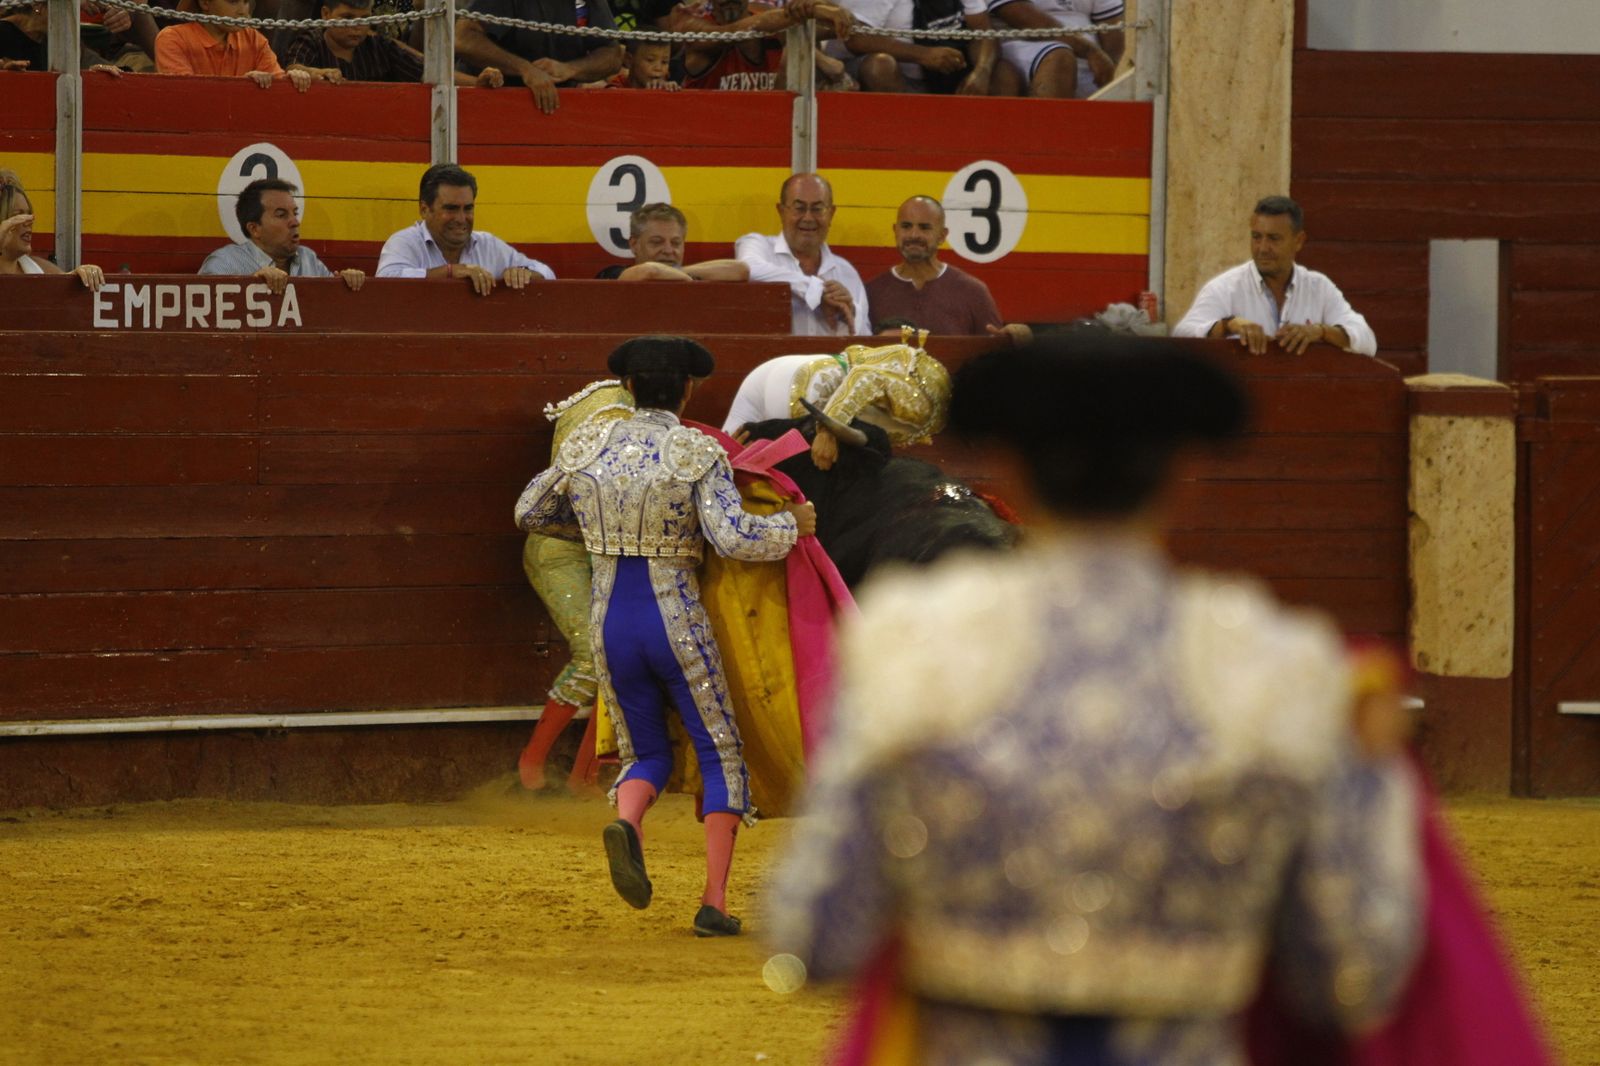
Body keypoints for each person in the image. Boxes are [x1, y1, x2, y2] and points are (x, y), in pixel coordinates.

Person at [766, 333, 1425, 1065]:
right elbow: (1353, 974)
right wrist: (1372, 779)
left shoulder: (911, 653)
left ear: (1011, 471)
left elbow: (814, 936)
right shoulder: (1278, 669)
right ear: (1183, 475)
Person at [515, 335, 817, 937]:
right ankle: (714, 902)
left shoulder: (586, 442)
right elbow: (735, 540)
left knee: (644, 751)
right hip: (673, 617)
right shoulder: (694, 450)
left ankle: (628, 824)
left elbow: (529, 512)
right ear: (688, 389)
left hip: (609, 620)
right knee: (719, 753)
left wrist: (598, 537)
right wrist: (791, 524)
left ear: (627, 388)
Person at [514, 379, 635, 794]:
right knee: (593, 654)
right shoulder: (618, 415)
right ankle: (530, 768)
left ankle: (582, 778)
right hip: (561, 548)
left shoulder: (617, 411)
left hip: (608, 550)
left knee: (619, 661)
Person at [1173, 195, 1378, 356]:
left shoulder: (1319, 288)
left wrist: (1320, 332)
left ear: (1298, 241)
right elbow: (1181, 337)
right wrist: (1228, 325)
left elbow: (1367, 342)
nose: (1262, 248)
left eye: (1273, 238)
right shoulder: (1225, 288)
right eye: (1256, 237)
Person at [721, 332, 950, 469]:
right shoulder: (934, 406)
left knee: (718, 463)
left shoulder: (933, 373)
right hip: (818, 390)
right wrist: (827, 429)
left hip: (786, 370)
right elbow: (866, 377)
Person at [377, 163, 555, 292]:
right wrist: (450, 271)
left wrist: (524, 273)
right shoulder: (405, 242)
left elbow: (547, 273)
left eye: (468, 208)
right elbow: (385, 281)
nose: (461, 219)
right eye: (451, 208)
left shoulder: (488, 244)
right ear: (425, 210)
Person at [736, 172, 871, 337]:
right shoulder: (758, 246)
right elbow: (747, 268)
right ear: (781, 211)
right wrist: (817, 291)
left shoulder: (847, 273)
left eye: (817, 209)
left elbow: (864, 345)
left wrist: (850, 311)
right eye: (799, 208)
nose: (808, 217)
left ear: (831, 214)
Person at [865, 195, 1009, 334]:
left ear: (942, 236)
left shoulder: (973, 292)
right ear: (895, 231)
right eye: (906, 226)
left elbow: (996, 352)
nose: (914, 235)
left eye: (924, 227)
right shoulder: (870, 294)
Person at [454, 0, 623, 115]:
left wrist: (570, 69)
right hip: (489, 104)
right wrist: (525, 69)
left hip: (557, 108)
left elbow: (613, 54)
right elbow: (462, 39)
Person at [199, 177, 365, 293]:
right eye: (281, 214)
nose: (295, 222)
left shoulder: (308, 259)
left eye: (295, 213)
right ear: (255, 228)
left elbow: (332, 306)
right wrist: (251, 285)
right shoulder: (225, 263)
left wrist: (346, 283)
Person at [281, 0, 505, 85]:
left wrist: (477, 82)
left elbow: (427, 71)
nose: (357, 26)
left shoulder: (379, 46)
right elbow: (293, 68)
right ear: (326, 14)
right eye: (347, 18)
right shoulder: (310, 41)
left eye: (365, 19)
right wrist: (315, 73)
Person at [827, 0, 1003, 95]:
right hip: (878, 75)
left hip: (948, 74)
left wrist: (981, 72)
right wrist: (923, 55)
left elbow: (983, 30)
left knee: (1003, 73)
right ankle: (899, 143)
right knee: (880, 66)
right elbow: (856, 38)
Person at [681, 0, 854, 92]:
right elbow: (739, 29)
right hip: (709, 128)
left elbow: (845, 26)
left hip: (767, 123)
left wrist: (818, 3)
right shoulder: (693, 25)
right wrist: (814, 10)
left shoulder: (771, 19)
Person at [154, 0, 315, 91]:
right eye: (233, 2)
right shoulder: (172, 39)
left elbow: (279, 88)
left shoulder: (254, 39)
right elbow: (185, 97)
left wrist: (293, 80)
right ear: (204, 3)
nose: (242, 11)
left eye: (246, 2)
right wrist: (243, 87)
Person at [986, 0, 1123, 99]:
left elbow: (1113, 32)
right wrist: (1090, 51)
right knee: (1059, 58)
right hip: (1023, 43)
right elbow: (1022, 17)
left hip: (1091, 57)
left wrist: (1115, 68)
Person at [0, 169, 106, 289]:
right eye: (18, 216)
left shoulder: (41, 268)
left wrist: (82, 273)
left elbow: (64, 285)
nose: (28, 221)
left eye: (29, 214)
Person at [595, 202, 748, 282]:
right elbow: (649, 271)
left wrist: (681, 273)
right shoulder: (612, 273)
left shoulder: (690, 274)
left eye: (675, 243)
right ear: (634, 244)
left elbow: (740, 270)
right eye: (656, 242)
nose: (668, 250)